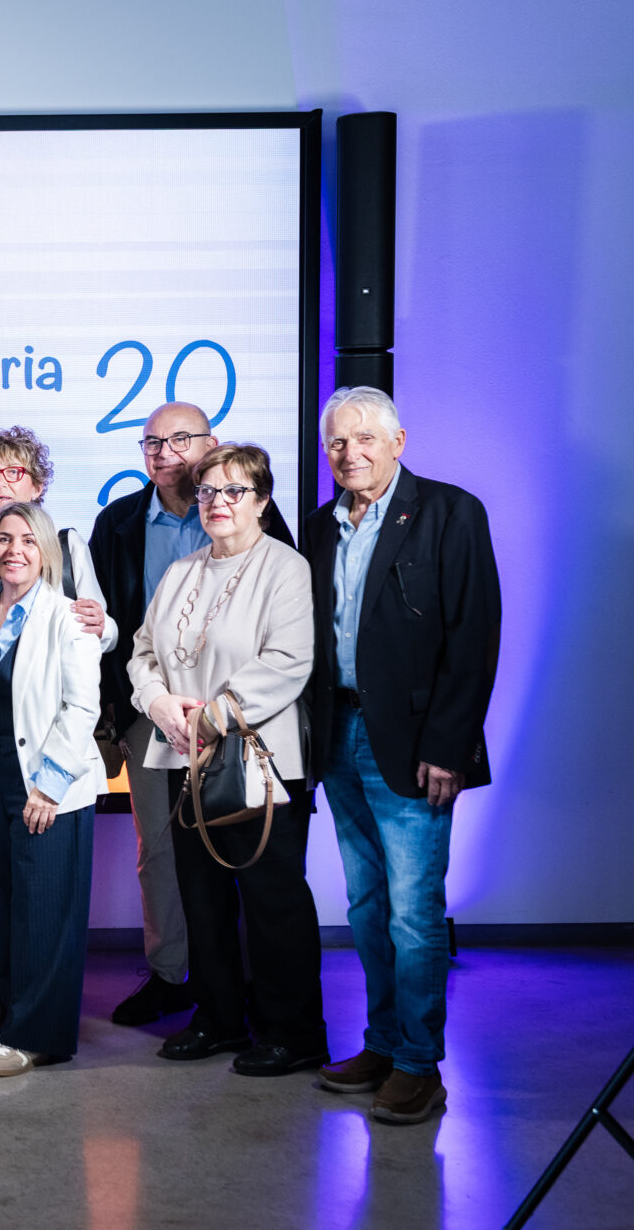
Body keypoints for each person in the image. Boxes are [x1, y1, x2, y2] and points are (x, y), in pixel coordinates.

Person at [304, 387, 500, 1125]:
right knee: (365, 905)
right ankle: (383, 1043)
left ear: (398, 441)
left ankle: (419, 1065)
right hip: (339, 736)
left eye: (364, 438)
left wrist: (449, 747)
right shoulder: (321, 526)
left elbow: (474, 635)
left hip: (417, 747)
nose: (348, 453)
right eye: (336, 442)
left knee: (414, 913)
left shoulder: (450, 512)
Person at [87, 402, 295, 1027]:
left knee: (243, 847)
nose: (165, 453)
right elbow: (117, 634)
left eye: (181, 439)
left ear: (211, 442)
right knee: (161, 851)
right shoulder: (118, 523)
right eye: (151, 443)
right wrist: (127, 707)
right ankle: (171, 974)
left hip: (241, 718)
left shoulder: (251, 515)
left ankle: (245, 985)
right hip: (151, 713)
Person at [127, 442, 327, 1076]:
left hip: (260, 761)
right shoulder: (181, 571)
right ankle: (217, 1019)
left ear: (261, 501)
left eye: (234, 490)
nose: (217, 502)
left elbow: (289, 661)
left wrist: (211, 718)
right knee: (203, 897)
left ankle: (294, 1032)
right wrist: (159, 704)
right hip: (186, 758)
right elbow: (142, 652)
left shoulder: (286, 568)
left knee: (273, 900)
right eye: (208, 491)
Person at [0, 502, 108, 1076]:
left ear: (45, 550)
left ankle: (36, 1036)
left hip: (51, 785)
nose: (14, 550)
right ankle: (17, 1013)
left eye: (27, 540)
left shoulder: (68, 616)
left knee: (45, 912)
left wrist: (48, 788)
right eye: (4, 538)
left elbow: (82, 707)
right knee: (4, 908)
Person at [0, 426, 115, 650]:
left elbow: (104, 633)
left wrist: (103, 627)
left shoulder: (67, 544)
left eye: (13, 472)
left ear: (37, 487)